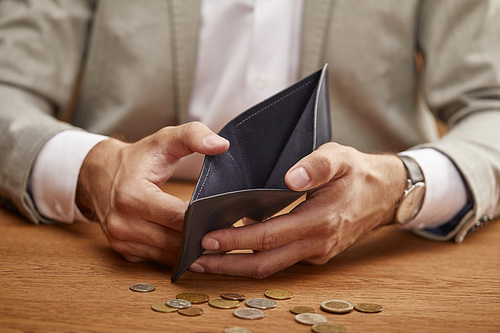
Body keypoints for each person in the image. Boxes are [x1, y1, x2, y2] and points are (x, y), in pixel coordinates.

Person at [0, 0, 499, 279]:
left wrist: (403, 185)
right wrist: (90, 167)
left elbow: (491, 105)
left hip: (376, 259)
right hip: (105, 258)